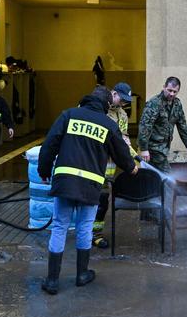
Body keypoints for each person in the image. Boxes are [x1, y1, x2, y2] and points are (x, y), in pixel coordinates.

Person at [38, 86, 138, 295]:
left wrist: (44, 170)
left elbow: (50, 144)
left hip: (65, 183)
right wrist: (132, 167)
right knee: (84, 228)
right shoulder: (108, 124)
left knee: (59, 227)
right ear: (105, 104)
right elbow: (120, 152)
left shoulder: (69, 115)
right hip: (90, 186)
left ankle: (52, 281)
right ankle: (82, 275)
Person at [92, 82, 137, 248]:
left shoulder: (123, 115)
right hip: (92, 163)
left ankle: (95, 234)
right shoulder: (97, 108)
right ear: (113, 93)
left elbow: (123, 139)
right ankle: (84, 232)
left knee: (103, 201)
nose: (122, 103)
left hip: (107, 168)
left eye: (126, 101)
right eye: (121, 99)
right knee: (87, 200)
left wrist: (131, 153)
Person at [138, 76, 187, 173]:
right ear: (164, 87)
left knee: (154, 177)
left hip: (164, 148)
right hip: (153, 148)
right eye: (169, 90)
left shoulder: (177, 104)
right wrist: (144, 149)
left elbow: (182, 125)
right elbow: (145, 126)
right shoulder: (154, 103)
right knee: (167, 176)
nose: (172, 94)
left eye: (175, 91)